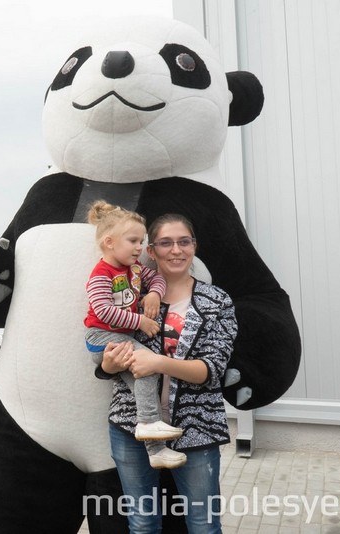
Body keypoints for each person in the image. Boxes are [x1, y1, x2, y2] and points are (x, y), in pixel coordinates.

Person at [99, 213, 237, 534]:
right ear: (151, 250)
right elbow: (106, 362)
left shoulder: (217, 301)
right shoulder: (130, 300)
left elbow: (212, 370)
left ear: (194, 247)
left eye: (184, 241)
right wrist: (109, 364)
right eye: (165, 243)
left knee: (203, 525)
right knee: (142, 524)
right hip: (131, 427)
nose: (176, 250)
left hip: (196, 429)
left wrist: (158, 363)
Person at [84, 200, 186, 469]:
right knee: (148, 366)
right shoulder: (101, 274)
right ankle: (150, 424)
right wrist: (140, 320)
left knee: (145, 381)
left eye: (142, 241)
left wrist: (153, 293)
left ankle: (156, 451)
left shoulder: (135, 270)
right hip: (101, 338)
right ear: (109, 242)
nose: (140, 248)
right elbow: (103, 311)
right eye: (133, 241)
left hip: (119, 340)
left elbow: (158, 279)